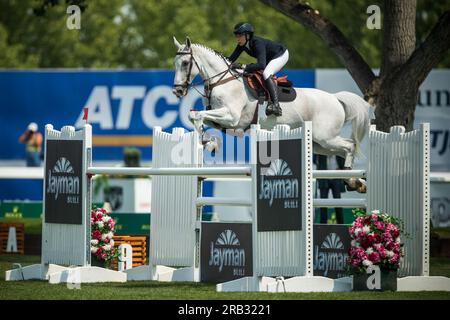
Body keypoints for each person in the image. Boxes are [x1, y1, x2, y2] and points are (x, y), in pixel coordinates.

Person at [228, 22, 289, 117]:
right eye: (236, 35)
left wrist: (242, 66)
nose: (237, 38)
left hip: (281, 54)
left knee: (266, 73)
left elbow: (261, 65)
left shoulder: (257, 43)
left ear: (247, 35)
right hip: (269, 58)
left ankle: (276, 105)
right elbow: (230, 60)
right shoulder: (242, 45)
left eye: (240, 35)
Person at [314, 154, 346, 224]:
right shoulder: (321, 148)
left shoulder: (337, 148)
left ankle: (341, 224)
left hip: (336, 177)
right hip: (323, 177)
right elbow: (314, 160)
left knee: (338, 202)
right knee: (323, 202)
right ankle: (322, 225)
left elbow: (344, 160)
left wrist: (342, 169)